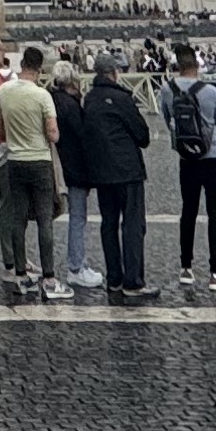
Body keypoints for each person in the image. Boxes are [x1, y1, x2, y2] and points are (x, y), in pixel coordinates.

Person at [65, 51, 153, 296]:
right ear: (114, 73)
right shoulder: (122, 98)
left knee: (109, 224)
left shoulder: (89, 100)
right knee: (133, 225)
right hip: (127, 171)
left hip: (102, 174)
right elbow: (142, 136)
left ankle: (114, 278)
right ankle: (133, 281)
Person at [0, 46, 64, 302]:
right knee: (45, 219)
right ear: (40, 68)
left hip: (15, 161)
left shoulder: (3, 91)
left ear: (22, 65)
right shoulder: (43, 96)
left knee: (18, 219)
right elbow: (53, 133)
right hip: (40, 162)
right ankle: (50, 278)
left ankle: (20, 275)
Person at [164, 47, 216, 296]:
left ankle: (186, 268)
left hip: (187, 158)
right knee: (215, 213)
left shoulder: (167, 89)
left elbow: (166, 118)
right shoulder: (211, 92)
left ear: (178, 67)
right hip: (213, 156)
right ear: (197, 66)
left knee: (188, 212)